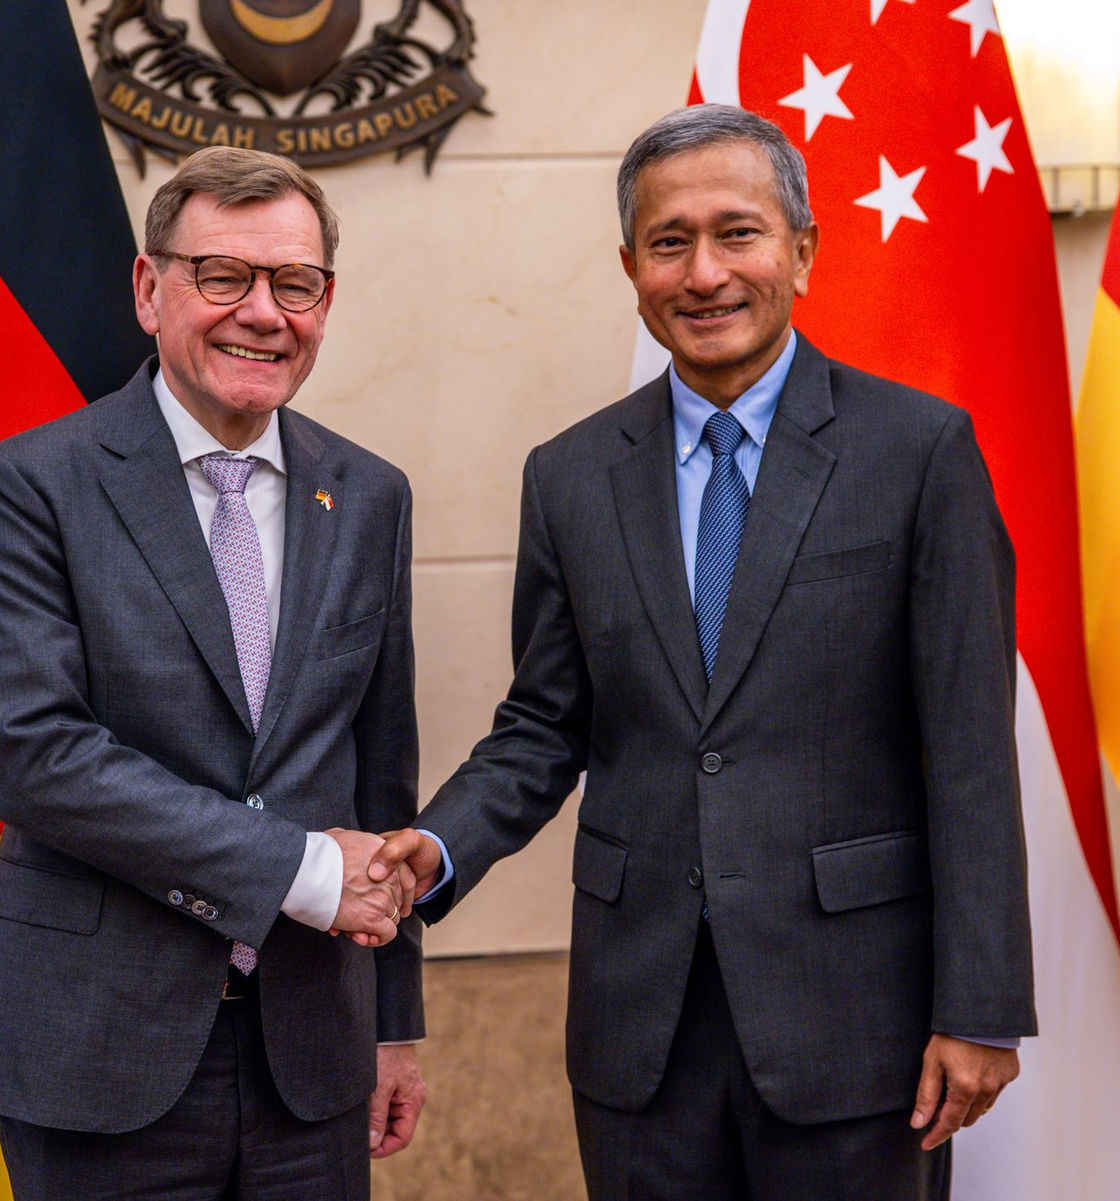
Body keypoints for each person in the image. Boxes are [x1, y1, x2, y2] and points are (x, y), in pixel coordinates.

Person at [372, 105, 1035, 1199]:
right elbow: (544, 724)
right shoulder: (571, 475)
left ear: (804, 250)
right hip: (642, 1034)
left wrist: (982, 1007)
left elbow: (968, 748)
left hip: (859, 1028)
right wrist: (434, 848)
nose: (706, 272)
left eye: (739, 233)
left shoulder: (920, 453)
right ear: (631, 266)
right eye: (670, 241)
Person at [0, 146, 425, 1200]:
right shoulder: (33, 485)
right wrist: (301, 871)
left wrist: (391, 1020)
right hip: (95, 1047)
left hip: (312, 1059)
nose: (264, 311)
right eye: (223, 276)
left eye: (294, 284)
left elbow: (380, 774)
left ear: (324, 303)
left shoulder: (370, 494)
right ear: (149, 289)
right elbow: (37, 758)